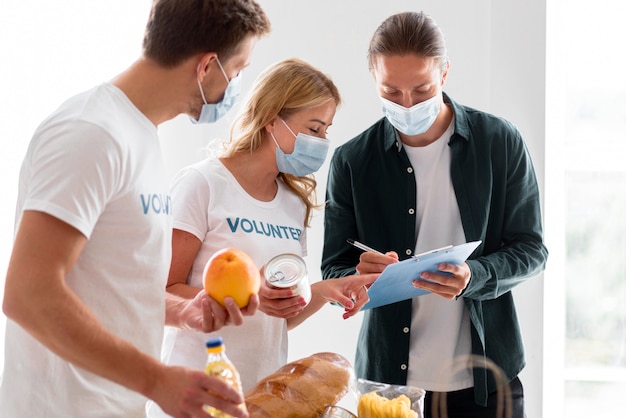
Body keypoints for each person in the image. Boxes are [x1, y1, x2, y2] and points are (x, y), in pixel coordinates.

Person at [0, 1, 271, 417]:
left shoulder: (139, 135)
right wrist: (157, 380)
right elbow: (28, 293)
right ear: (206, 67)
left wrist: (185, 310)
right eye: (237, 71)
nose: (236, 85)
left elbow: (109, 285)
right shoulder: (91, 132)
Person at [320, 11, 548, 418]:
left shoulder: (499, 142)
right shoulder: (352, 161)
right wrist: (358, 278)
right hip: (389, 388)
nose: (407, 104)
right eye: (390, 91)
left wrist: (473, 277)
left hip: (489, 382)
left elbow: (532, 250)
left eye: (421, 89)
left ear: (444, 74)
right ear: (373, 79)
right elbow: (334, 271)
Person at [146, 58, 376, 416]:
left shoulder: (293, 204)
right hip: (196, 396)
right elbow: (160, 294)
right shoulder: (203, 185)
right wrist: (249, 295)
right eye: (313, 128)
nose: (322, 142)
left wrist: (323, 292)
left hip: (262, 402)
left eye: (326, 130)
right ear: (271, 117)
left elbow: (276, 319)